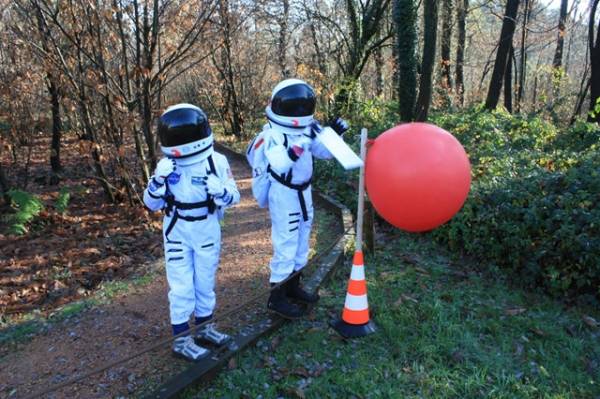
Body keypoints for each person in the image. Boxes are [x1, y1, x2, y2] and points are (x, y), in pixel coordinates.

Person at [143, 104, 240, 361]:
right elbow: (150, 203)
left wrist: (219, 190)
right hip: (177, 229)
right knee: (181, 286)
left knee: (205, 282)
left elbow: (235, 196)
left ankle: (205, 328)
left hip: (206, 227)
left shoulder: (216, 161)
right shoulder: (167, 165)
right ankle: (182, 340)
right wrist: (157, 181)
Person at [263, 79, 349, 319]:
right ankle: (276, 297)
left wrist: (334, 134)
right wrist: (303, 141)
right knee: (286, 243)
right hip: (285, 193)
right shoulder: (273, 134)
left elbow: (323, 154)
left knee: (302, 242)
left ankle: (293, 287)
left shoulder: (306, 128)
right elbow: (280, 163)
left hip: (303, 192)